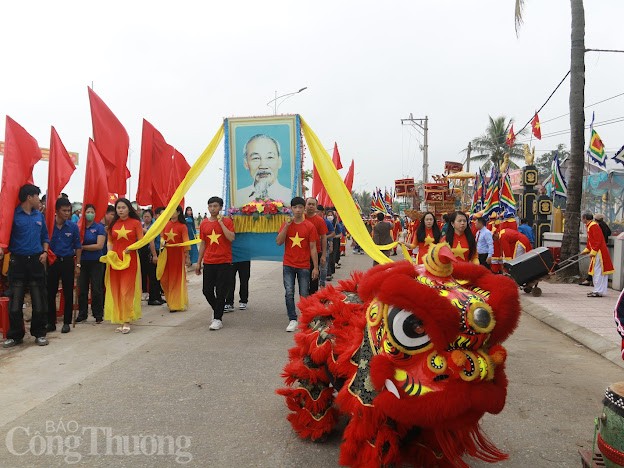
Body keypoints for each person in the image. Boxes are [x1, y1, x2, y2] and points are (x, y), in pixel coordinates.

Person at [1, 184, 50, 348]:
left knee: (38, 301)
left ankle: (39, 333)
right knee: (15, 303)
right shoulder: (13, 215)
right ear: (29, 197)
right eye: (37, 196)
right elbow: (4, 235)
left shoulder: (39, 216)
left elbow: (45, 236)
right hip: (18, 262)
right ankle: (15, 336)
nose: (39, 199)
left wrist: (44, 252)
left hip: (36, 261)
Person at [276, 197, 319, 332]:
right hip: (288, 264)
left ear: (304, 208)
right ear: (291, 209)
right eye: (295, 207)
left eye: (301, 207)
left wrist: (316, 267)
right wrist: (287, 226)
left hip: (304, 265)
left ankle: (305, 319)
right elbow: (278, 241)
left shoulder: (310, 226)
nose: (298, 210)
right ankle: (292, 319)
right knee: (289, 292)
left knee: (304, 293)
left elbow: (313, 248)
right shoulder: (287, 224)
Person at [104, 198, 144, 334]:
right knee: (116, 289)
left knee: (126, 290)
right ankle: (121, 319)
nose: (120, 210)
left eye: (123, 207)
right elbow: (110, 241)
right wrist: (109, 253)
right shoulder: (113, 224)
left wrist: (131, 248)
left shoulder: (136, 223)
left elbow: (141, 241)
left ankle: (127, 320)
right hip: (115, 260)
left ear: (128, 209)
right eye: (118, 208)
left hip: (130, 259)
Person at [196, 196, 235, 331]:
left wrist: (221, 224)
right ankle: (217, 309)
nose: (213, 208)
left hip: (224, 261)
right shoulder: (204, 224)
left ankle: (217, 318)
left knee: (221, 291)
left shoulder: (227, 221)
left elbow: (231, 238)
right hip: (209, 261)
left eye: (215, 206)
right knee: (207, 290)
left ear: (220, 207)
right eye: (210, 206)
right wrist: (198, 262)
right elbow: (203, 243)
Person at [47, 197, 82, 333]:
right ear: (56, 211)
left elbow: (78, 247)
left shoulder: (73, 227)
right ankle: (51, 322)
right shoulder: (49, 225)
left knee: (68, 292)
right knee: (50, 292)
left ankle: (66, 322)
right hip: (52, 262)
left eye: (69, 210)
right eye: (64, 210)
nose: (67, 213)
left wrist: (77, 265)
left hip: (67, 261)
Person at [234, 134, 292, 206]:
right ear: (246, 164)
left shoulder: (290, 195)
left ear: (279, 162)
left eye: (270, 157)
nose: (263, 166)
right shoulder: (237, 197)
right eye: (256, 158)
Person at [76, 204, 106, 323]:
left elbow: (99, 245)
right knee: (82, 289)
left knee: (96, 288)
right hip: (82, 262)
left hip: (96, 262)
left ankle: (98, 313)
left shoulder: (99, 228)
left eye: (92, 212)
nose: (90, 214)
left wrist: (82, 247)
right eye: (87, 211)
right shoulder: (79, 227)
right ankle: (82, 313)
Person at [160, 206, 190, 312]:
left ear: (178, 213)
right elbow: (162, 236)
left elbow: (186, 242)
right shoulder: (166, 224)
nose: (171, 213)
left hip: (178, 256)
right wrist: (162, 241)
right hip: (166, 256)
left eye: (173, 211)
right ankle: (170, 299)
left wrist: (187, 257)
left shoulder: (182, 226)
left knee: (176, 279)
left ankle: (175, 303)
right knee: (164, 279)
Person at [582, 213, 614, 298]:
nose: (582, 220)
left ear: (585, 218)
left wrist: (594, 250)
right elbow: (590, 240)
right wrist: (587, 249)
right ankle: (598, 290)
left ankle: (598, 291)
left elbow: (598, 240)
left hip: (599, 252)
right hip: (597, 251)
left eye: (582, 218)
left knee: (598, 272)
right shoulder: (590, 225)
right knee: (597, 271)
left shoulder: (593, 226)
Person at [139, 209, 163, 306]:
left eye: (148, 216)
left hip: (153, 251)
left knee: (155, 275)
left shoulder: (154, 226)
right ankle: (153, 298)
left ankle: (157, 297)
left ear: (151, 217)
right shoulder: (141, 226)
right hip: (144, 252)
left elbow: (151, 240)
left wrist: (154, 255)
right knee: (150, 275)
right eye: (144, 216)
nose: (146, 218)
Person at [304, 198, 328, 294]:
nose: (310, 206)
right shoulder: (301, 217)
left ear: (316, 207)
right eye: (309, 204)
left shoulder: (320, 220)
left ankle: (313, 301)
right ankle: (305, 301)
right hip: (302, 253)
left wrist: (323, 255)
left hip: (315, 253)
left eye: (313, 204)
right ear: (305, 205)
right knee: (304, 279)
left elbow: (324, 237)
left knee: (314, 278)